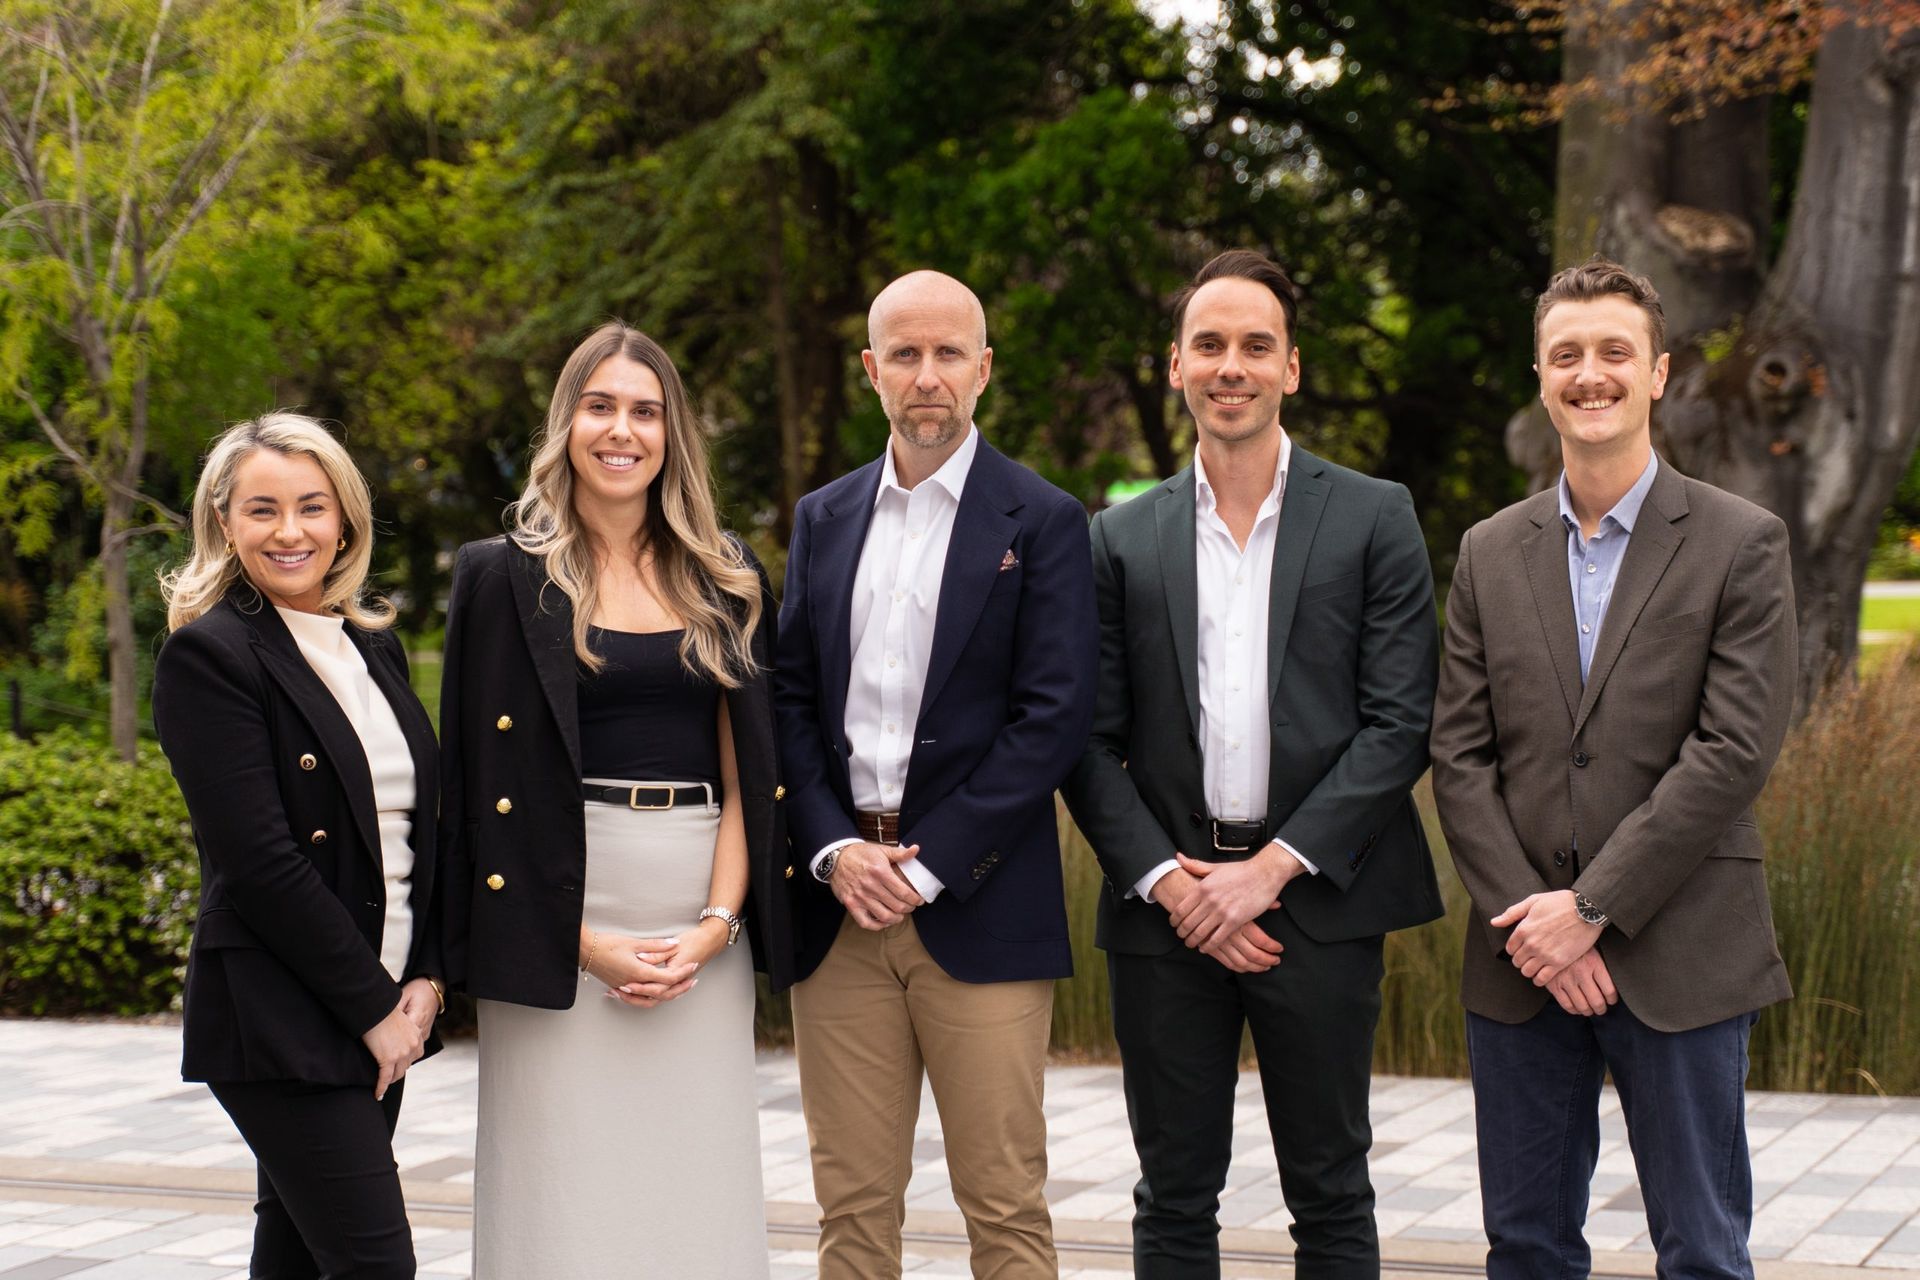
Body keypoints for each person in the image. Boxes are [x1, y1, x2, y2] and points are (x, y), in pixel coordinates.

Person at [1062, 249, 1442, 1279]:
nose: (1233, 364)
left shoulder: (1375, 515)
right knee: (1172, 1196)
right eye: (1211, 344)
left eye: (1256, 345)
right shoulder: (1119, 536)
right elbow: (1086, 738)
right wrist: (1175, 885)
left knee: (1331, 1190)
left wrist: (1267, 872)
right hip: (1164, 910)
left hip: (1318, 904)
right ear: (1176, 365)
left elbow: (1399, 721)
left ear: (1293, 367)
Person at [1429, 257, 1796, 1279]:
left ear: (1660, 372)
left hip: (1683, 950)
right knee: (1529, 1247)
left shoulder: (1739, 542)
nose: (1590, 374)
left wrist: (1591, 904)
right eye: (1567, 354)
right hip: (1520, 961)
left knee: (1703, 1250)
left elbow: (1731, 751)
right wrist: (1537, 923)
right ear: (1542, 375)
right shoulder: (1486, 551)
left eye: (1613, 353)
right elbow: (1458, 755)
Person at [438, 322, 792, 1278]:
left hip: (698, 916)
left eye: (645, 410)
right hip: (552, 921)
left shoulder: (726, 575)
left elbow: (746, 778)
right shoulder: (497, 576)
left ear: (672, 432)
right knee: (554, 1186)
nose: (621, 430)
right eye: (600, 406)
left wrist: (716, 927)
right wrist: (578, 941)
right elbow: (469, 790)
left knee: (696, 1184)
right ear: (567, 422)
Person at [772, 269, 1098, 1279]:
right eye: (904, 355)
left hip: (979, 901)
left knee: (1003, 1204)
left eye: (948, 353)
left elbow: (1053, 718)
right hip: (839, 912)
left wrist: (926, 864)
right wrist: (832, 848)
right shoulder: (822, 518)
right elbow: (785, 699)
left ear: (983, 370)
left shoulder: (1041, 519)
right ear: (871, 370)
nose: (927, 376)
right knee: (853, 1208)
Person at [153, 412, 444, 1279]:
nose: (290, 531)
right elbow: (262, 862)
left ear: (345, 520)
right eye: (262, 510)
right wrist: (375, 1011)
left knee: (297, 1256)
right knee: (375, 1265)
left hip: (381, 1006)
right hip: (284, 1016)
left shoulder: (373, 649)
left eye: (312, 507)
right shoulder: (211, 657)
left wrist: (426, 979)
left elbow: (421, 832)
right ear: (225, 524)